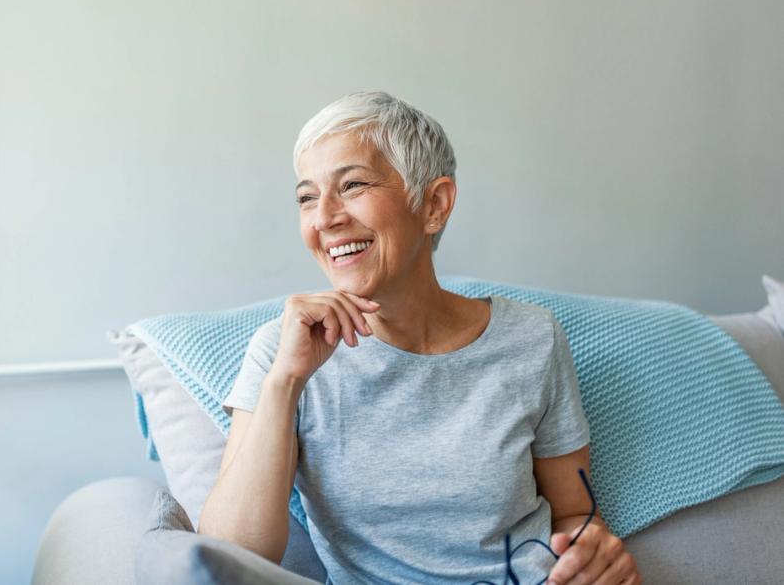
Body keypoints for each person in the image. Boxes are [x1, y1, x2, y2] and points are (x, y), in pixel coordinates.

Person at [197, 91, 640, 584]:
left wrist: (595, 560)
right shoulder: (282, 352)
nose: (324, 217)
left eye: (353, 185)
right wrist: (285, 382)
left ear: (434, 204)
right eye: (306, 197)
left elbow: (575, 513)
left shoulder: (533, 339)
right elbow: (228, 557)